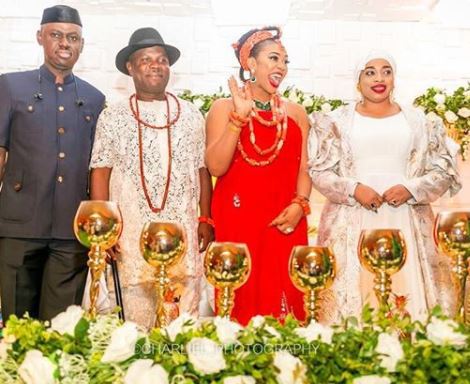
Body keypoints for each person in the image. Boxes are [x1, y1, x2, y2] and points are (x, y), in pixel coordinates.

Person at [308, 50, 461, 323]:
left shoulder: (419, 122)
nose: (379, 78)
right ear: (358, 79)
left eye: (386, 71)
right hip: (352, 220)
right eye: (370, 72)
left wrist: (411, 189)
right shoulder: (336, 122)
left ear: (394, 77)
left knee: (410, 302)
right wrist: (354, 189)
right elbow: (319, 171)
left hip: (406, 219)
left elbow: (443, 170)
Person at [90, 27, 213, 329]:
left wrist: (206, 218)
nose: (155, 65)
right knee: (134, 326)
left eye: (161, 59)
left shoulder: (191, 114)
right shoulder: (113, 116)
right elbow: (100, 171)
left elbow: (202, 170)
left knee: (182, 326)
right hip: (130, 236)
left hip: (183, 233)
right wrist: (103, 232)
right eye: (145, 59)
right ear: (130, 68)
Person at [0, 5, 105, 321]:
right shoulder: (10, 86)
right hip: (18, 225)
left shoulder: (95, 98)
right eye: (56, 35)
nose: (65, 43)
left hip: (71, 231)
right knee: (16, 326)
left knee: (61, 326)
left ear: (81, 45)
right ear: (40, 38)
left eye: (73, 37)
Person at [206, 26, 311, 324]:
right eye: (274, 58)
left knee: (288, 305)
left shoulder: (296, 113)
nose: (282, 67)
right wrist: (238, 118)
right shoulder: (223, 108)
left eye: (286, 61)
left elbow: (305, 168)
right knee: (240, 301)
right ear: (250, 63)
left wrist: (300, 204)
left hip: (285, 219)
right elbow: (216, 167)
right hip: (239, 220)